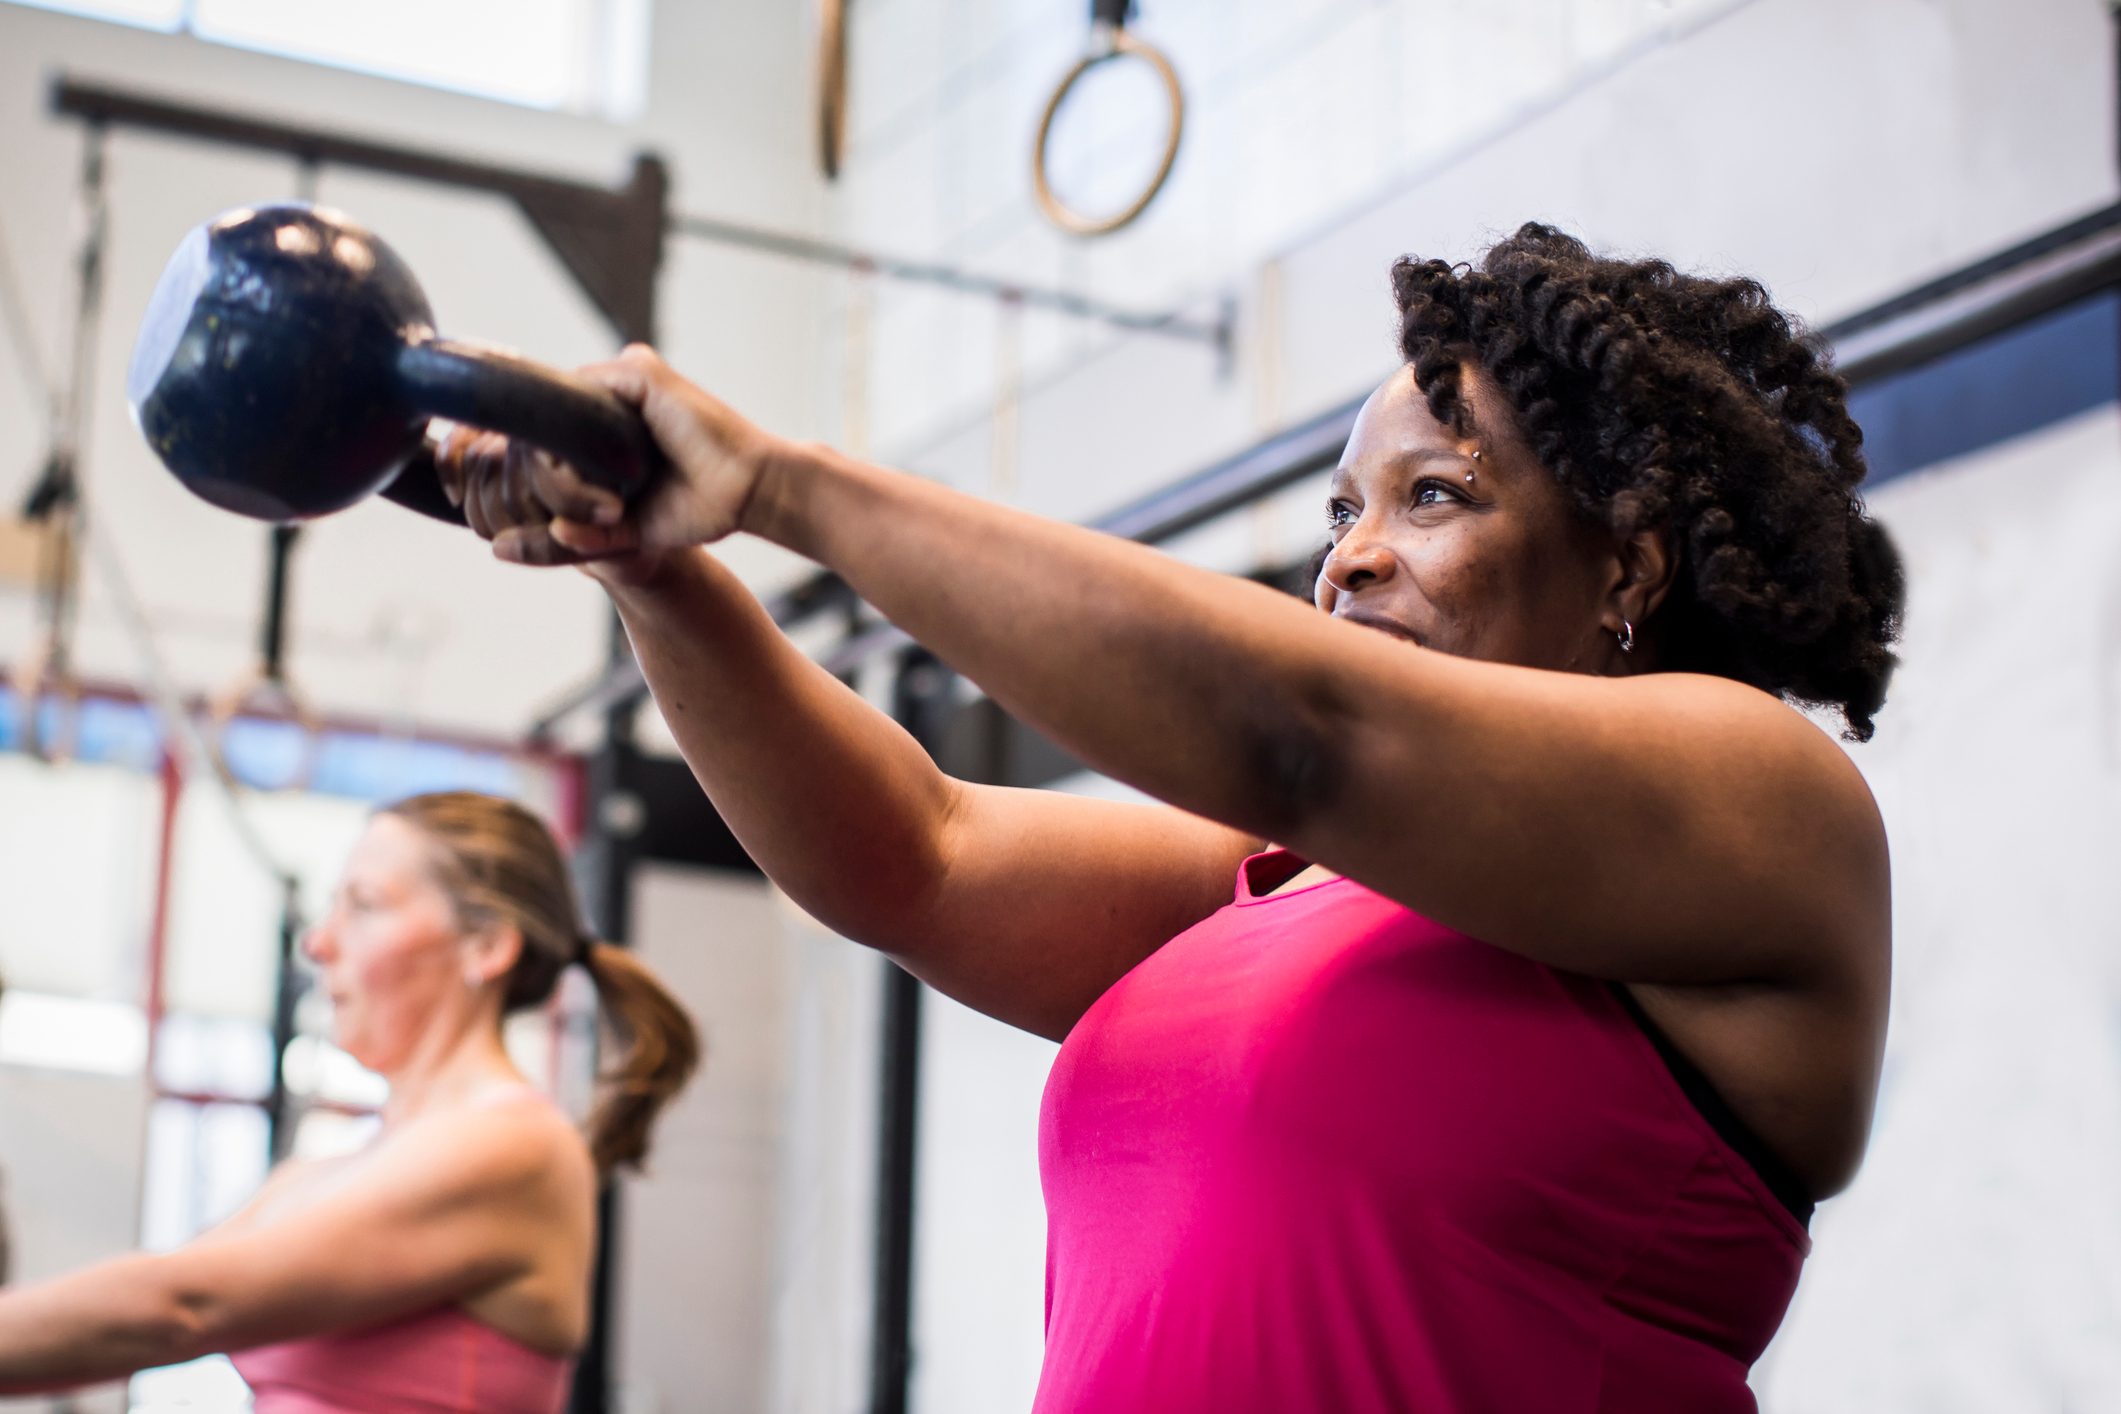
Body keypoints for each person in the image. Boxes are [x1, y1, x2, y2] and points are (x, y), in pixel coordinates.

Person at [443, 223, 1903, 1412]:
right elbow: (919, 856)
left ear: (1625, 575)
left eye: (1436, 496)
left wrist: (777, 484)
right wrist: (654, 567)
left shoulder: (1765, 804)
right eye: (1340, 515)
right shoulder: (1286, 883)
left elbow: (1304, 732)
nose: (1353, 561)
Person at [0, 791, 698, 1413]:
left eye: (363, 906)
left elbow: (179, 1308)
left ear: (485, 946)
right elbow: (155, 1294)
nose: (318, 942)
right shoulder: (320, 1177)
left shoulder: (516, 1147)